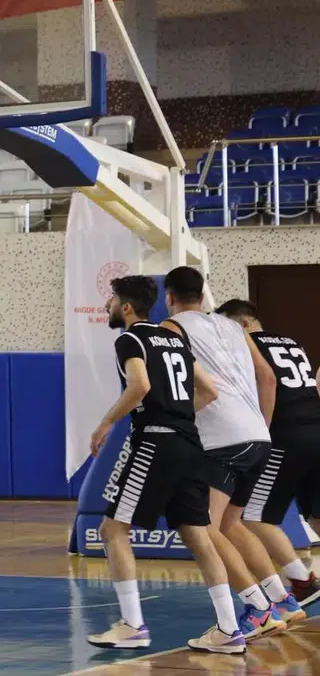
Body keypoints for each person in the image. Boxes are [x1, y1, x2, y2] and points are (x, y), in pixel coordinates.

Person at [87, 275, 245, 654]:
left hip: (155, 440)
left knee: (112, 530)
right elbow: (209, 390)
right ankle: (229, 630)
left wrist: (105, 423)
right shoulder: (174, 338)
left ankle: (132, 626)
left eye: (112, 300)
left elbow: (139, 386)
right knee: (197, 535)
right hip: (189, 443)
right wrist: (177, 413)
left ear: (127, 307)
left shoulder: (130, 339)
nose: (107, 306)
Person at [161, 266, 305, 638]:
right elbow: (267, 377)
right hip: (258, 435)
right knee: (231, 524)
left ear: (169, 296)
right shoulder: (235, 327)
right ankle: (283, 600)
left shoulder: (171, 329)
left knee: (204, 529)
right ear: (203, 293)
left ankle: (257, 608)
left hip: (220, 438)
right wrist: (262, 427)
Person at [215, 298, 320, 608]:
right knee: (315, 514)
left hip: (286, 434)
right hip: (315, 428)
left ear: (244, 324)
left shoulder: (249, 345)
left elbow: (269, 380)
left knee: (253, 515)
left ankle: (302, 582)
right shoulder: (290, 342)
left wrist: (263, 426)